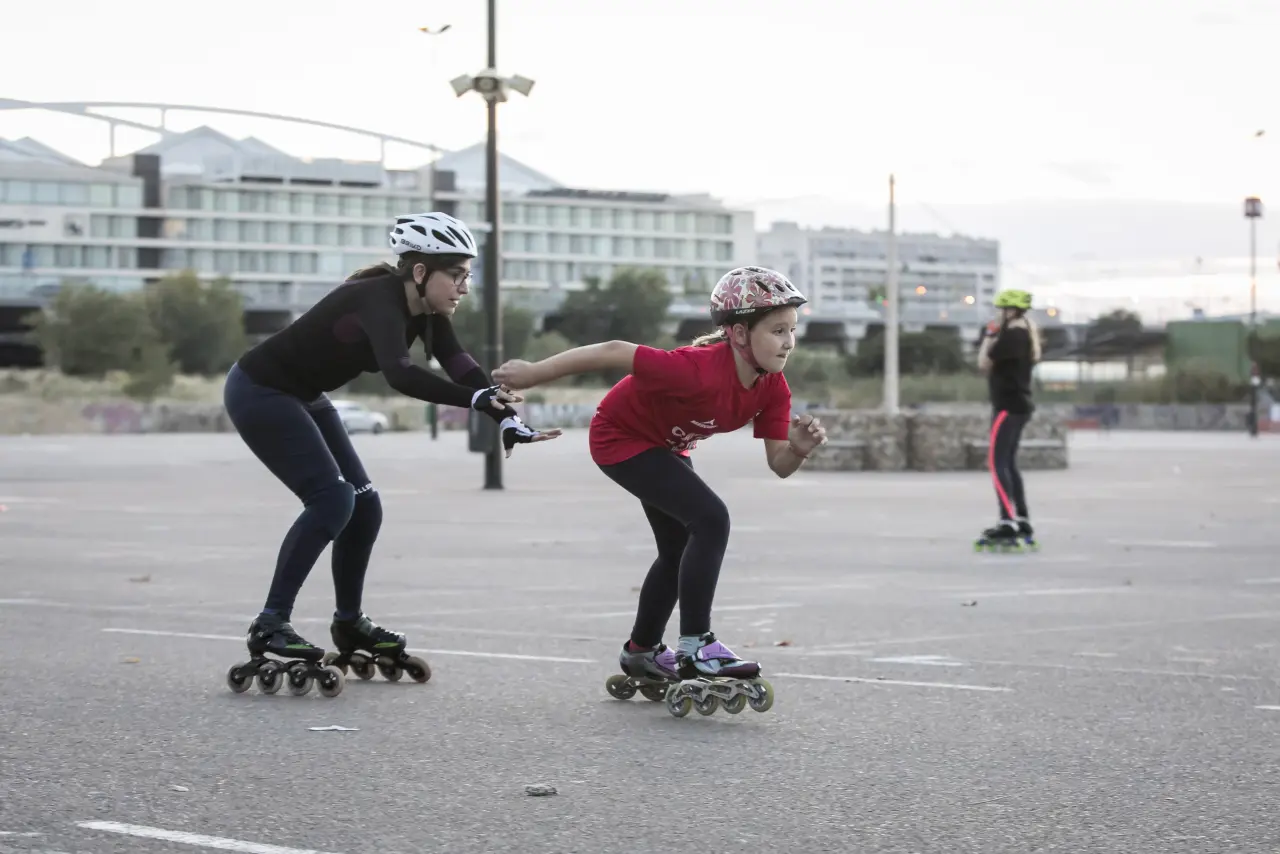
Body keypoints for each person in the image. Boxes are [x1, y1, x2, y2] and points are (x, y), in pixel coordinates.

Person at [223, 211, 561, 680]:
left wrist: (506, 417)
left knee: (365, 505)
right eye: (456, 275)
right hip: (261, 391)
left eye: (468, 276)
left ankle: (349, 623)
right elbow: (400, 374)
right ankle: (270, 623)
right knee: (332, 499)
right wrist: (478, 400)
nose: (464, 287)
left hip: (304, 395)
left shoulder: (427, 311)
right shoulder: (376, 298)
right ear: (420, 272)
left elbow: (459, 364)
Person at [492, 266, 826, 712]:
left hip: (667, 445)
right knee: (710, 519)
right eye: (778, 330)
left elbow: (779, 465)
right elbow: (613, 350)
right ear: (739, 334)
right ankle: (696, 646)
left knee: (679, 547)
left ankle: (642, 650)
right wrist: (535, 373)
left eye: (792, 330)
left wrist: (799, 448)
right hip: (620, 436)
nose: (789, 342)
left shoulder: (772, 387)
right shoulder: (695, 369)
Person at [975, 288, 1042, 551]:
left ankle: (1007, 520)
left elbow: (984, 362)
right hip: (1019, 405)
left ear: (1010, 310)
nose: (998, 314)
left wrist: (989, 336)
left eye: (1001, 310)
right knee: (1009, 463)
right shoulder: (1026, 333)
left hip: (1006, 407)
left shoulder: (1012, 335)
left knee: (997, 462)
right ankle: (1021, 518)